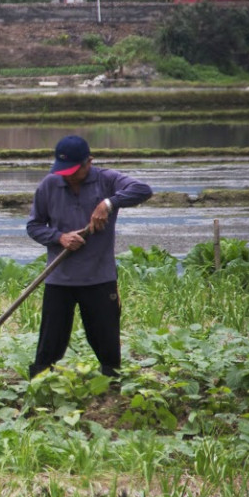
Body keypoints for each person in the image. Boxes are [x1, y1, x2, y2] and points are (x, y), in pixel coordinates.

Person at [26, 135, 152, 379]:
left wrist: (109, 203)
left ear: (89, 162)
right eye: (64, 171)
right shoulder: (49, 185)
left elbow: (143, 190)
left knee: (106, 341)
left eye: (74, 170)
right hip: (59, 278)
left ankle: (112, 388)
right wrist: (59, 237)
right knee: (50, 342)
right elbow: (34, 226)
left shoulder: (107, 180)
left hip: (99, 276)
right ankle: (39, 386)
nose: (68, 175)